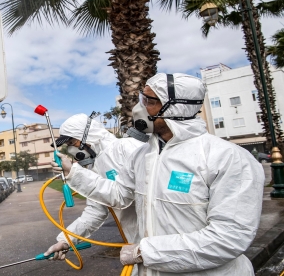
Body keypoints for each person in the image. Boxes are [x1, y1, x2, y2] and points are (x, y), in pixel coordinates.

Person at [55, 73, 265, 276]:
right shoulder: (143, 155)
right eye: (141, 99)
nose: (140, 108)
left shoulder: (228, 158)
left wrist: (145, 252)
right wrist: (73, 172)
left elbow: (229, 237)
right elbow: (119, 195)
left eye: (149, 101)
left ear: (176, 107)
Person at [43, 114, 146, 261]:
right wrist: (66, 240)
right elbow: (95, 211)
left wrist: (74, 173)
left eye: (72, 142)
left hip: (160, 238)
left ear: (87, 135)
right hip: (137, 245)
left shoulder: (126, 147)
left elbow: (125, 196)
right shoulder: (93, 166)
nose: (70, 149)